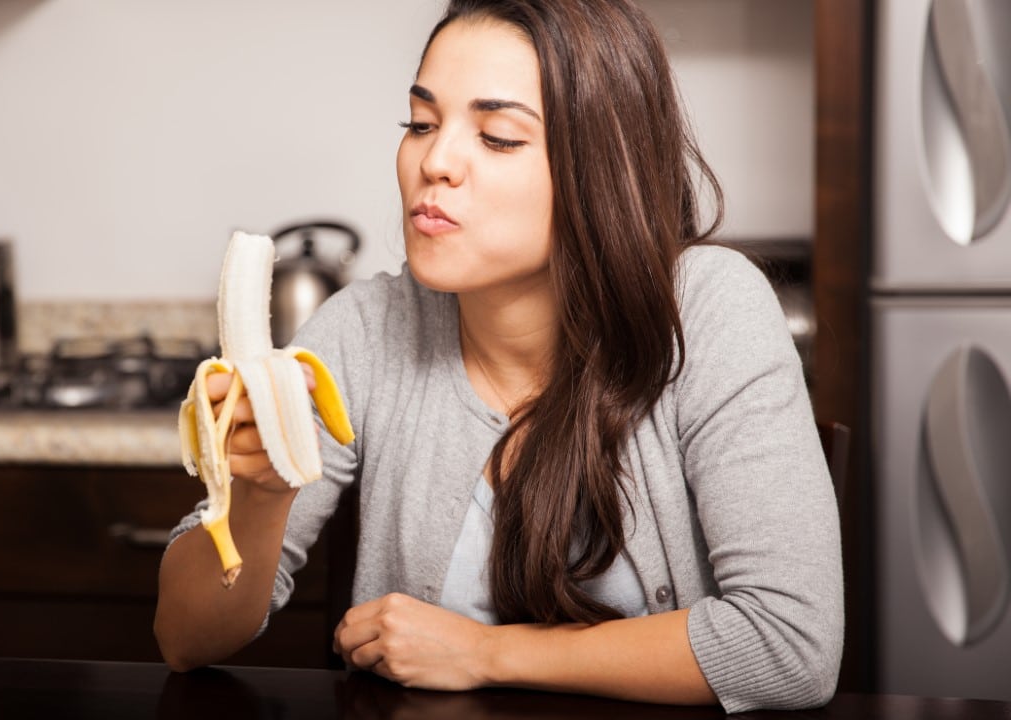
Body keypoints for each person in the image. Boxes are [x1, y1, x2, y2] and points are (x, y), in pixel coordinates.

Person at [153, 0, 844, 713]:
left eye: (498, 136)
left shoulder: (708, 310)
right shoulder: (363, 330)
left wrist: (486, 652)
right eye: (420, 124)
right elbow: (185, 639)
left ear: (601, 168)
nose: (435, 161)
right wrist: (263, 497)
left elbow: (792, 646)